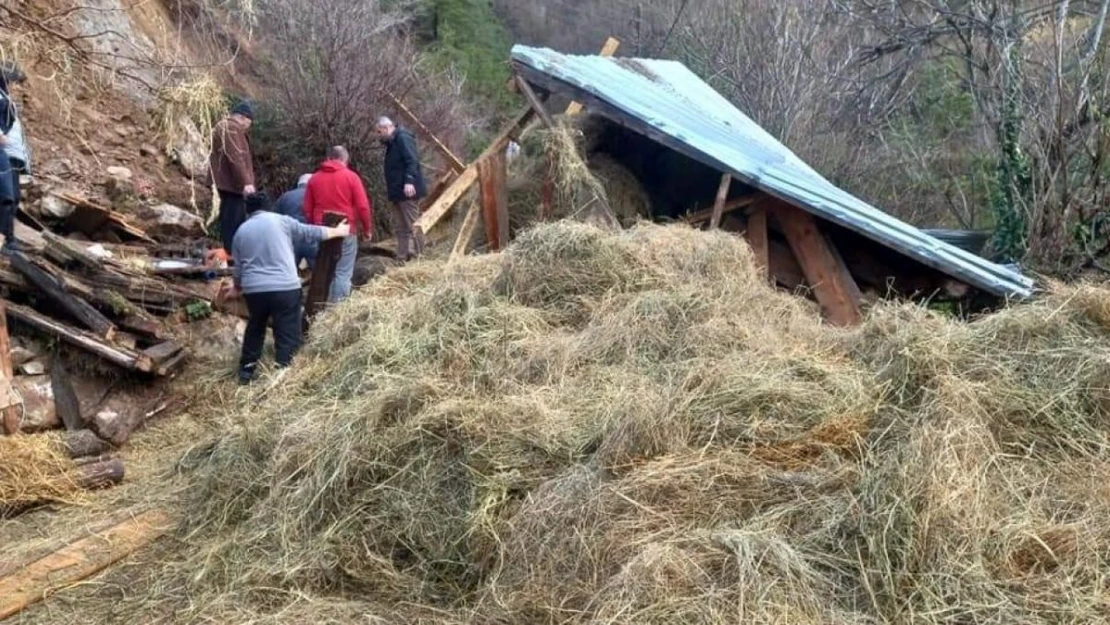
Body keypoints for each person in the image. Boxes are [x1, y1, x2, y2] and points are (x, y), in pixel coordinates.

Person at [231, 192, 350, 384]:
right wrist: (338, 232)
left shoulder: (241, 231)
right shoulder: (281, 221)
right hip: (285, 287)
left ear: (249, 211)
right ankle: (283, 373)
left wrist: (236, 287)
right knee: (287, 330)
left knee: (256, 327)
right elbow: (311, 232)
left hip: (255, 291)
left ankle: (246, 372)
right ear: (268, 206)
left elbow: (238, 268)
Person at [303, 146, 373, 303]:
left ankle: (319, 306)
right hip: (346, 229)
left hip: (322, 229)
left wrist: (314, 226)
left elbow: (307, 209)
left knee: (324, 269)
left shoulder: (314, 179)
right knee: (343, 272)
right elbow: (363, 206)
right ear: (345, 160)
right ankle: (337, 311)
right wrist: (367, 229)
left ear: (328, 158)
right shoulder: (351, 177)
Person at [375, 116, 426, 261]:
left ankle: (421, 256)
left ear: (386, 128)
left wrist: (409, 181)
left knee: (413, 224)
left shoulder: (402, 138)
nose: (378, 136)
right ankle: (402, 255)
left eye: (379, 132)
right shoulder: (392, 143)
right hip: (397, 192)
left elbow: (412, 160)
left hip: (407, 191)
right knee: (400, 227)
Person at [209, 100, 256, 254]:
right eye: (249, 122)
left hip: (227, 183)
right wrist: (246, 182)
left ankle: (229, 252)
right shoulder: (231, 128)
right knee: (233, 221)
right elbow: (236, 157)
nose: (248, 127)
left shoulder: (223, 127)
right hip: (232, 185)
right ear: (243, 118)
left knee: (230, 219)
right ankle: (231, 254)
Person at [0, 62, 30, 255]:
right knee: (6, 197)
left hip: (14, 157)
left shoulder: (7, 100)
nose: (18, 87)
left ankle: (9, 237)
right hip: (5, 154)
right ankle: (5, 240)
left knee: (14, 198)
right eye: (16, 83)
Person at [274, 173, 317, 269]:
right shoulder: (316, 196)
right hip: (311, 238)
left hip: (291, 239)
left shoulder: (285, 197)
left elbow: (275, 218)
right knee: (319, 272)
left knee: (289, 270)